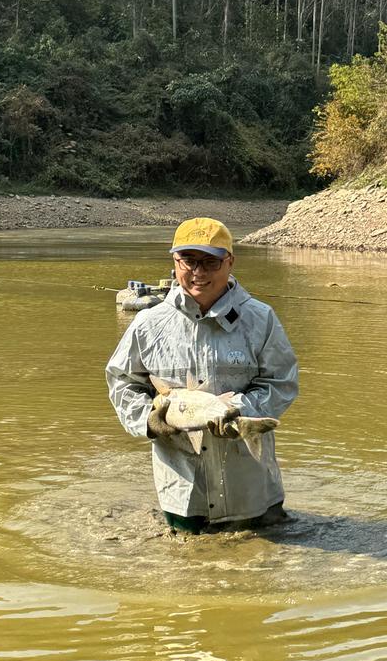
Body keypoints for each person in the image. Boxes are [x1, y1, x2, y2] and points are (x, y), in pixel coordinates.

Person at [105, 217, 298, 533]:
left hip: (252, 491)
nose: (198, 272)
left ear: (230, 262)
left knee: (266, 569)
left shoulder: (261, 319)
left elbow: (282, 383)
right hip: (183, 494)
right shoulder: (147, 324)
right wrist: (148, 421)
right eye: (189, 261)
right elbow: (123, 382)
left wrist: (239, 411)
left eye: (210, 262)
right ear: (175, 262)